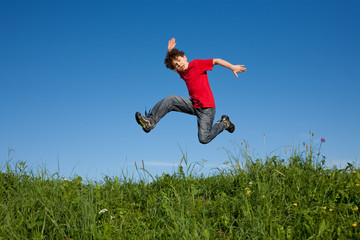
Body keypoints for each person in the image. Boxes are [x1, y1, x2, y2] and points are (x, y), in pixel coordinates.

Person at [135, 38, 246, 144]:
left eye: (179, 60)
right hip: (194, 105)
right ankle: (150, 122)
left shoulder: (197, 64)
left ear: (185, 57)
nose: (179, 64)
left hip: (207, 108)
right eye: (177, 65)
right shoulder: (182, 72)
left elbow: (216, 61)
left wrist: (232, 67)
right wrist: (169, 52)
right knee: (171, 99)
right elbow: (172, 66)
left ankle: (224, 123)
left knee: (203, 138)